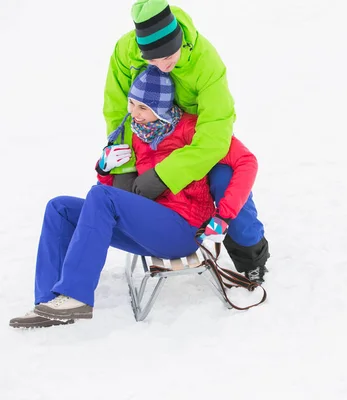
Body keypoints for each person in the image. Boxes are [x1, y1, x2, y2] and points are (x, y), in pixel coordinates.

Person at [9, 66, 260, 329]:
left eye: (142, 107)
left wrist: (225, 214)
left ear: (162, 107)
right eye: (131, 102)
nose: (133, 113)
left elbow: (247, 162)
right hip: (147, 227)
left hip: (183, 229)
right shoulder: (136, 133)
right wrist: (106, 169)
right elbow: (115, 199)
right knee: (59, 207)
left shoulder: (191, 130)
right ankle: (49, 303)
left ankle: (76, 295)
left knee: (102, 196)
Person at [103, 0, 269, 282]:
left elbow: (216, 130)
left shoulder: (206, 61)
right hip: (155, 139)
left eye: (167, 57)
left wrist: (166, 174)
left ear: (179, 38)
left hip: (198, 140)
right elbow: (119, 110)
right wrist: (124, 167)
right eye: (151, 60)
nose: (161, 67)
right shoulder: (125, 51)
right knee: (151, 196)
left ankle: (250, 255)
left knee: (224, 181)